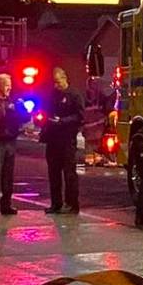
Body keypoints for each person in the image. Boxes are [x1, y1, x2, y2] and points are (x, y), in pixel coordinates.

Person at [41, 67, 84, 214]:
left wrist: (63, 120)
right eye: (54, 83)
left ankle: (72, 204)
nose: (56, 86)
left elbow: (80, 116)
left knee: (69, 173)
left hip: (67, 139)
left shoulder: (74, 95)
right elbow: (45, 111)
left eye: (58, 82)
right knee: (53, 173)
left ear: (65, 79)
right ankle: (56, 203)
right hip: (53, 138)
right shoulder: (52, 95)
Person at [0, 74, 26, 216]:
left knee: (8, 175)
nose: (10, 87)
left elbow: (25, 117)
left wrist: (21, 109)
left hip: (10, 141)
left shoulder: (14, 101)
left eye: (10, 84)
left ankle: (6, 204)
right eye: (7, 84)